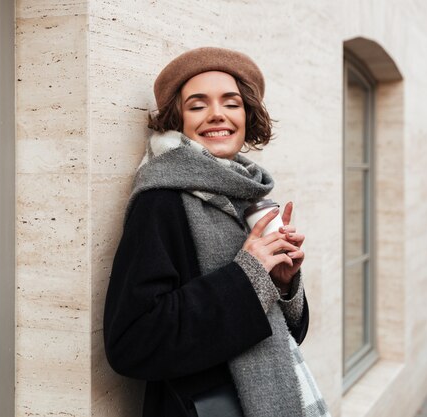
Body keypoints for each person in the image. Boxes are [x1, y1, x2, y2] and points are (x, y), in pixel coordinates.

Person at [103, 47, 329, 417]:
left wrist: (282, 285)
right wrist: (248, 277)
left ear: (247, 115)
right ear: (177, 121)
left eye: (231, 103)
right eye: (197, 105)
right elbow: (132, 342)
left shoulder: (246, 193)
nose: (217, 115)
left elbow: (282, 335)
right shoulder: (160, 202)